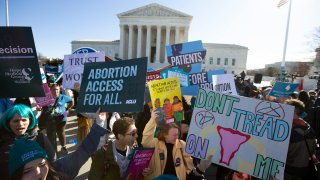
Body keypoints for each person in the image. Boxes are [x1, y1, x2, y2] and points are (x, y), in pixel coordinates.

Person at [8, 121, 107, 180]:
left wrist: (99, 123)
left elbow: (83, 151)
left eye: (42, 165)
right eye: (28, 170)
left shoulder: (59, 171)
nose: (38, 173)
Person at [142, 110, 212, 180]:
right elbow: (145, 140)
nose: (177, 137)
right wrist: (152, 120)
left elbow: (189, 167)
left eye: (178, 134)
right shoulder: (155, 143)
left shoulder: (182, 144)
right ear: (165, 135)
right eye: (174, 135)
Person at [0, 104, 55, 180]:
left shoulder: (39, 137)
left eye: (24, 120)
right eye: (16, 121)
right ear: (8, 123)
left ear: (30, 120)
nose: (20, 124)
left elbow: (53, 161)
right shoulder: (2, 141)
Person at [284, 99, 318, 179]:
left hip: (289, 171)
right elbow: (313, 150)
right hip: (305, 169)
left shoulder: (289, 130)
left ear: (292, 110)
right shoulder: (309, 128)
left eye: (286, 108)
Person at [46, 84, 74, 154]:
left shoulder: (63, 97)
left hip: (62, 119)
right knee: (51, 135)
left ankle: (63, 147)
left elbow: (71, 101)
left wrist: (67, 108)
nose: (56, 91)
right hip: (51, 119)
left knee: (61, 133)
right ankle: (53, 151)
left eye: (57, 89)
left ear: (59, 90)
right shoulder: (47, 98)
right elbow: (43, 107)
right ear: (50, 90)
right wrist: (39, 108)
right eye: (54, 89)